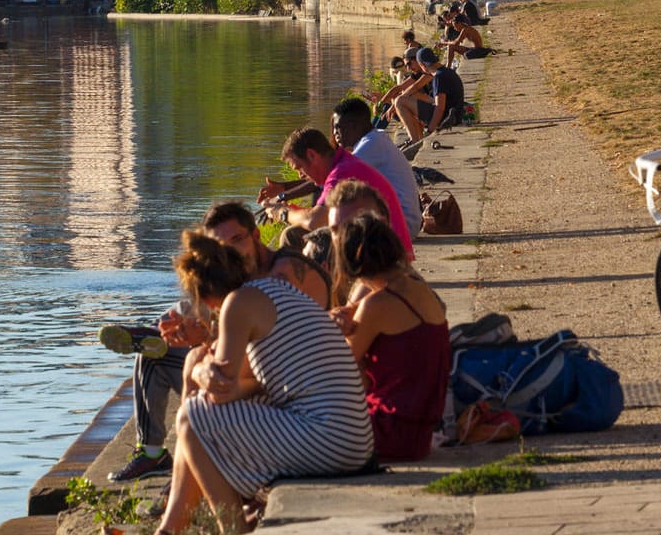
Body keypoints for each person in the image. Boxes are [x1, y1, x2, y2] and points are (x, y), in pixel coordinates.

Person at [156, 233, 372, 534]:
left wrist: (198, 371)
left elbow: (219, 391)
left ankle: (229, 530)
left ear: (205, 299)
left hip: (329, 440)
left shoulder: (238, 304)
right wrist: (208, 370)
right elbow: (248, 385)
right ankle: (172, 529)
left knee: (191, 418)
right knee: (199, 415)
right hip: (353, 439)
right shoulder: (274, 291)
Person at [99, 201, 329, 482]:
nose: (232, 252)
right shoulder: (242, 283)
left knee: (196, 391)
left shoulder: (283, 274)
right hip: (277, 385)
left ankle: (185, 485)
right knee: (152, 357)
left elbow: (273, 359)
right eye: (222, 247)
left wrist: (203, 350)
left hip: (296, 395)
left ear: (256, 236)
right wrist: (203, 337)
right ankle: (153, 455)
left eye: (238, 240)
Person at [330, 215, 449, 461]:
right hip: (418, 434)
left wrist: (333, 329)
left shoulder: (377, 305)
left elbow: (337, 372)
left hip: (388, 432)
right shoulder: (417, 289)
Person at [260, 128, 413, 255]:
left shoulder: (342, 172)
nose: (300, 175)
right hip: (382, 246)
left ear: (312, 155)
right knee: (295, 234)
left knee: (293, 237)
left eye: (299, 167)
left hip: (389, 256)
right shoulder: (342, 164)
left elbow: (315, 221)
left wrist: (282, 212)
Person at [331, 97, 419, 239]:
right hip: (406, 223)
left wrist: (286, 191)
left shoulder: (371, 145)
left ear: (353, 126)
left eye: (338, 128)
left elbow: (334, 177)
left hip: (402, 226)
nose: (335, 134)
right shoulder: (376, 138)